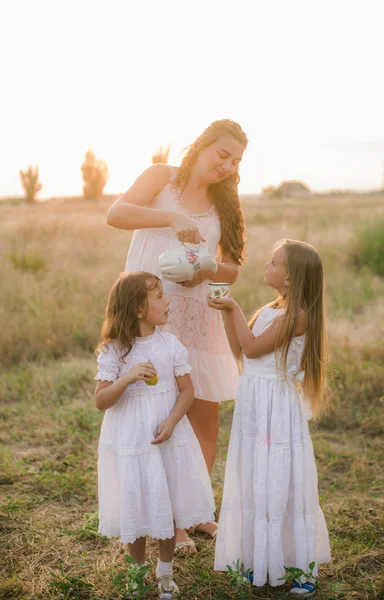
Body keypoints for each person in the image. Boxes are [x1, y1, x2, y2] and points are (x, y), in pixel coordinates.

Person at [106, 119, 248, 553]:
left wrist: (206, 267)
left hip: (199, 318)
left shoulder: (226, 203)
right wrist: (170, 216)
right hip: (151, 315)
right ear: (202, 145)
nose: (227, 165)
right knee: (161, 418)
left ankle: (196, 512)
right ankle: (170, 521)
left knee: (205, 420)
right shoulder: (160, 177)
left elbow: (233, 269)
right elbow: (116, 215)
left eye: (236, 161)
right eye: (222, 153)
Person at [209, 239, 331, 596]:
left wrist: (232, 307)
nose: (266, 265)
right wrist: (225, 313)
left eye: (273, 262)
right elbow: (240, 351)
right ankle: (261, 560)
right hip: (254, 404)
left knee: (280, 479)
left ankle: (299, 566)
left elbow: (252, 347)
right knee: (255, 475)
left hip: (276, 406)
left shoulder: (297, 317)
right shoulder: (270, 309)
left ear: (290, 277)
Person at [94, 272, 215, 599]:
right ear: (137, 309)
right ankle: (137, 571)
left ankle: (165, 572)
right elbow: (101, 400)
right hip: (132, 438)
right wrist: (127, 378)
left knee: (167, 498)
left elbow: (187, 391)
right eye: (159, 297)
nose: (168, 301)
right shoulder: (115, 352)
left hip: (166, 434)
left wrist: (173, 421)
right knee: (135, 496)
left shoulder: (169, 344)